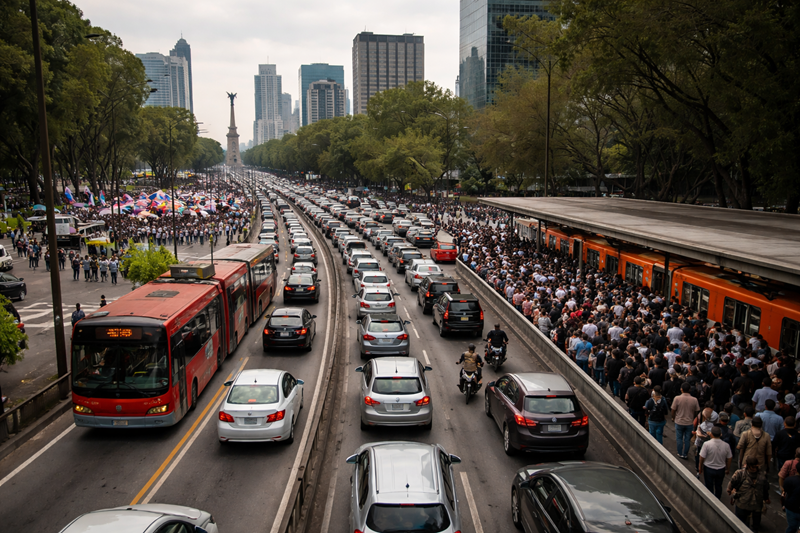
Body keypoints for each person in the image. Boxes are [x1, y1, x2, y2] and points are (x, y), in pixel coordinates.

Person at [727, 456, 770, 531]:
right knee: (741, 524)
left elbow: (765, 488)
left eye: (755, 467)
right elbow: (732, 483)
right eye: (753, 467)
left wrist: (766, 498)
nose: (754, 469)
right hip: (742, 503)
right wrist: (730, 490)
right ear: (748, 465)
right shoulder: (740, 474)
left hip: (756, 505)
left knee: (754, 526)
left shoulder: (762, 476)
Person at [699, 426, 732, 499]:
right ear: (721, 434)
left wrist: (700, 467)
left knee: (709, 486)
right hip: (721, 469)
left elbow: (702, 457)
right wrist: (727, 469)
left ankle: (709, 500)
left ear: (711, 434)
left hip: (709, 469)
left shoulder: (706, 444)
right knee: (718, 486)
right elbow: (729, 458)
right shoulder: (726, 445)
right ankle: (717, 500)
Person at [672, 382, 701, 459]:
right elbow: (697, 411)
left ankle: (680, 453)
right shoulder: (694, 400)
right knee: (687, 439)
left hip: (679, 421)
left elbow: (673, 410)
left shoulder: (677, 398)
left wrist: (673, 418)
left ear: (681, 389)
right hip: (689, 423)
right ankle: (685, 454)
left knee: (679, 438)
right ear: (690, 390)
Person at [783, 468, 800, 533]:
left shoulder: (789, 480)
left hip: (791, 508)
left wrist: (783, 504)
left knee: (792, 526)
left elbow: (785, 493)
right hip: (793, 508)